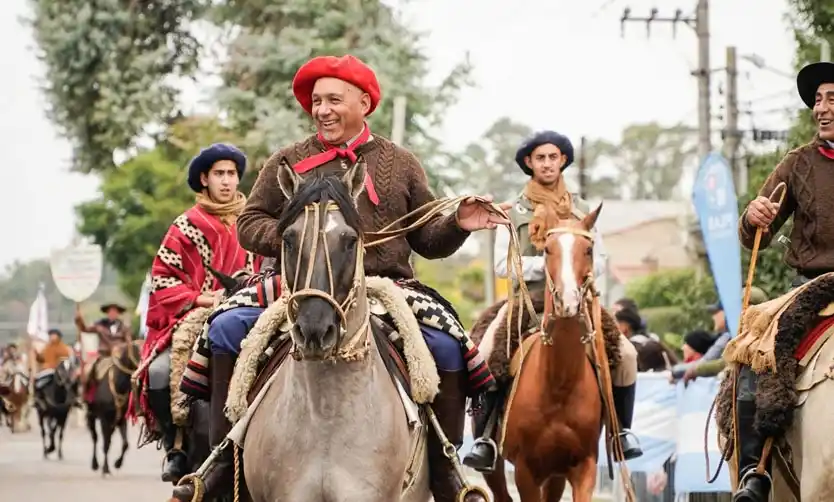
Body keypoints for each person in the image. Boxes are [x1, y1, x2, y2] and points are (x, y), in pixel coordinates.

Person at [170, 54, 505, 502]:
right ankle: (222, 462)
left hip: (384, 287)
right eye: (316, 102)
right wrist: (296, 238)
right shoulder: (287, 159)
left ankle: (445, 469)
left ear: (364, 103)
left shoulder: (401, 163)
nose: (322, 110)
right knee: (225, 327)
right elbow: (250, 220)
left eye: (333, 100)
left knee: (446, 343)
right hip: (296, 284)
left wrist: (458, 223)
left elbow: (426, 238)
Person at [464, 131, 642, 472]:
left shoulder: (583, 209)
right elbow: (501, 265)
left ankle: (622, 432)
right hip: (527, 301)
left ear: (563, 161)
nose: (547, 163)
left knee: (628, 355)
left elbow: (601, 259)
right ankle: (485, 439)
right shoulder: (511, 211)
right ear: (529, 163)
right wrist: (549, 265)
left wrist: (570, 270)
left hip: (577, 298)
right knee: (485, 355)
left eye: (553, 157)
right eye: (540, 158)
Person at [130, 143, 263, 484]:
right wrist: (202, 299)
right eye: (219, 174)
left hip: (252, 309)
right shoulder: (185, 226)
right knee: (159, 374)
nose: (227, 181)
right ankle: (175, 445)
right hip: (196, 315)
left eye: (231, 174)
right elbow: (162, 279)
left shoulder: (253, 222)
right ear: (204, 179)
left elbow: (272, 267)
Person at [733, 60, 834, 502]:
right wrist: (752, 216)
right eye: (818, 100)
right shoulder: (798, 163)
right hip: (812, 286)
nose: (821, 108)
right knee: (755, 355)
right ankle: (754, 471)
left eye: (832, 99)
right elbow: (754, 233)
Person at [75, 302, 132, 404]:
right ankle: (86, 397)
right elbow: (85, 329)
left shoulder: (124, 327)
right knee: (88, 372)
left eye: (115, 311)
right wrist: (79, 320)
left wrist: (119, 348)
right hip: (104, 357)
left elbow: (129, 343)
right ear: (107, 313)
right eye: (110, 311)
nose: (112, 313)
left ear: (118, 313)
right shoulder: (100, 325)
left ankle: (133, 398)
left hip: (120, 358)